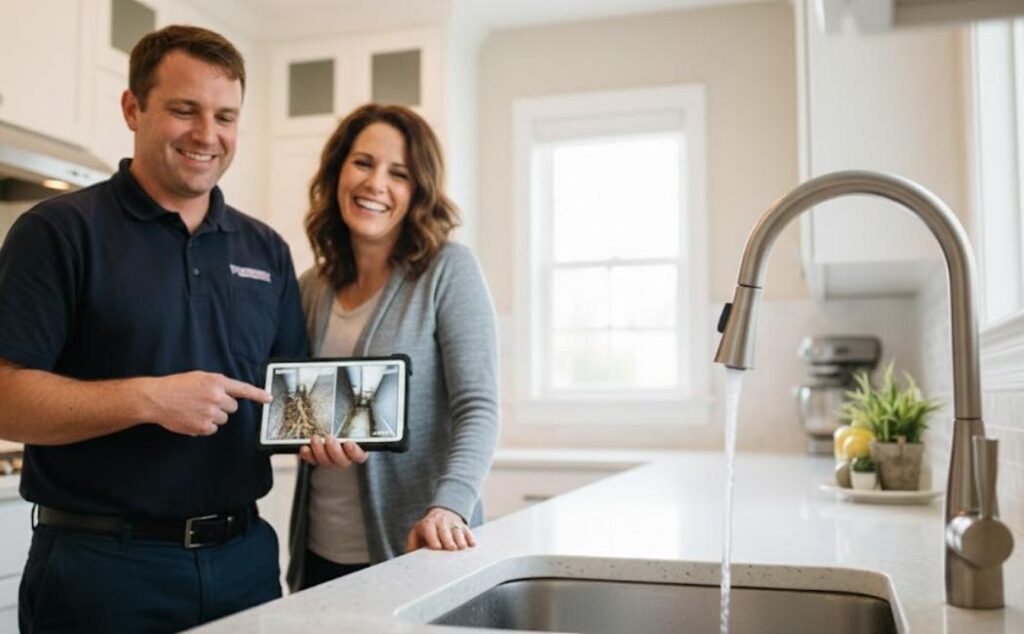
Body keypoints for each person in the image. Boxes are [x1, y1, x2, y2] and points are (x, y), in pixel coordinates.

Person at [0, 25, 307, 632]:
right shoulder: (58, 232)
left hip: (245, 561)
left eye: (225, 116)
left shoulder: (266, 249)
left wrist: (323, 437)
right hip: (102, 569)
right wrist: (149, 399)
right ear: (132, 109)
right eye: (184, 110)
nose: (207, 134)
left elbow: (287, 401)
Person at [286, 104, 499, 590]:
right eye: (362, 163)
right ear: (338, 172)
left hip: (417, 547)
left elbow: (478, 408)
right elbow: (300, 406)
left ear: (418, 191)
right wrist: (303, 436)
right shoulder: (311, 287)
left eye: (398, 173)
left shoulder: (449, 271)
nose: (376, 183)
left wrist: (449, 507)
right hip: (319, 552)